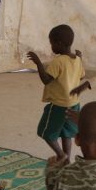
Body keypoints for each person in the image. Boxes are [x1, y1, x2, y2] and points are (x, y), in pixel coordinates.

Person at [27, 24, 85, 162]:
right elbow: (81, 76)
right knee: (66, 134)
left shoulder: (58, 61)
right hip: (74, 103)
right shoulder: (77, 59)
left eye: (51, 43)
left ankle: (61, 155)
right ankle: (67, 160)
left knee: (45, 132)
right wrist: (80, 59)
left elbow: (46, 80)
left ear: (59, 44)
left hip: (59, 104)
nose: (51, 46)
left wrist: (38, 63)